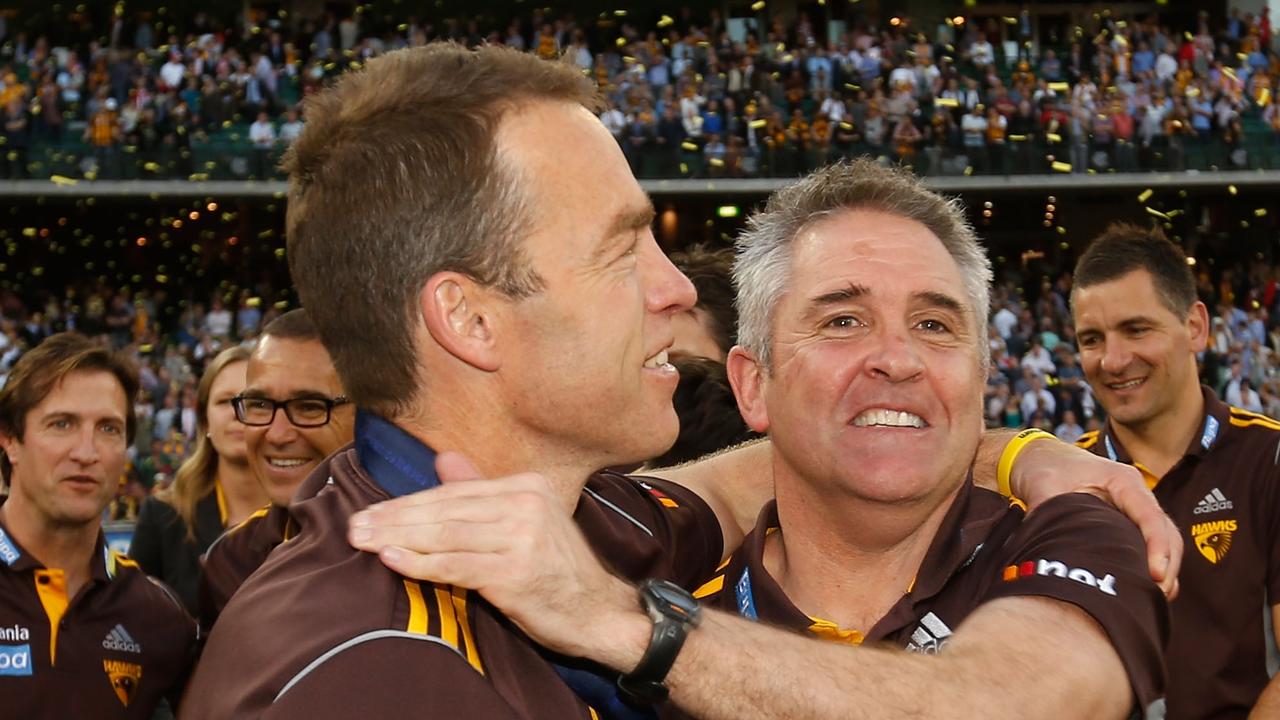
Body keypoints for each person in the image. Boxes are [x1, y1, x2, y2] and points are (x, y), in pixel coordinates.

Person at [187, 43, 1176, 719]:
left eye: (934, 324)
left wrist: (1005, 446)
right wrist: (635, 630)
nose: (673, 290)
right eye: (624, 252)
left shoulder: (594, 533)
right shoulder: (376, 671)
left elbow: (750, 477)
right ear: (471, 319)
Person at [352, 160, 1170, 720]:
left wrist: (641, 631)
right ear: (751, 383)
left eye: (934, 323)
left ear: (981, 376)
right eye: (842, 320)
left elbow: (1003, 705)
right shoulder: (662, 557)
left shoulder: (1073, 526)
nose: (897, 358)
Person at [1072, 223, 1280, 719]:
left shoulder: (1269, 459)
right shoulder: (1063, 484)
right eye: (1091, 339)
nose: (1113, 360)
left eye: (1136, 329)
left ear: (1195, 328)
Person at [0, 333, 196, 717]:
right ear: (9, 439)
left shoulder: (160, 618)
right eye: (61, 424)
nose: (86, 453)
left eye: (108, 428)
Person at [197, 309, 354, 631]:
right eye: (260, 405)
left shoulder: (432, 551)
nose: (277, 434)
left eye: (309, 407)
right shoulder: (230, 563)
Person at [129, 346, 265, 612]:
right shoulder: (163, 516)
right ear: (205, 421)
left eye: (254, 402)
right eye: (225, 401)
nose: (238, 414)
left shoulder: (309, 513)